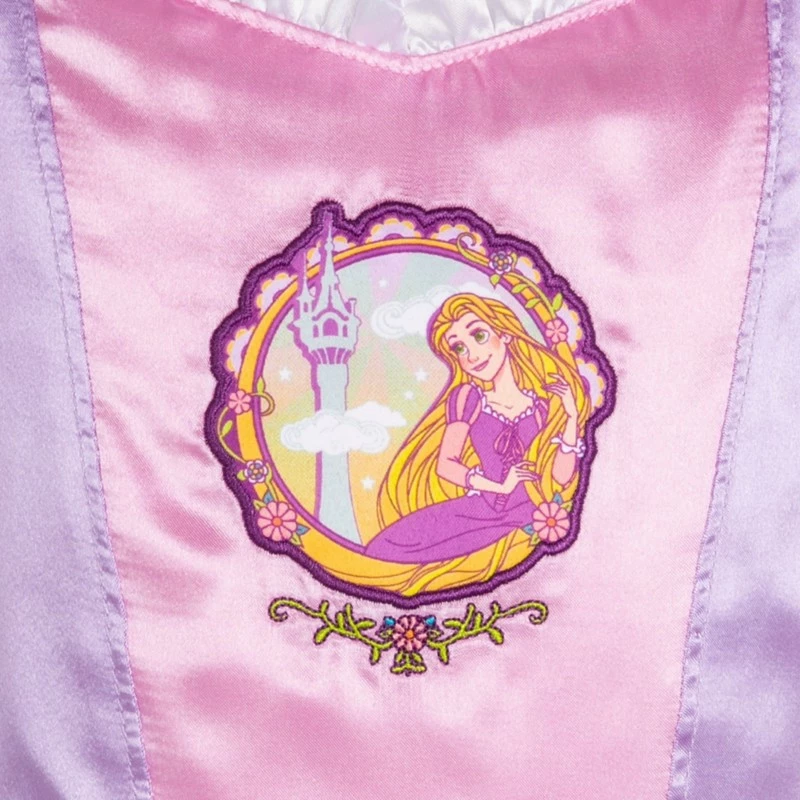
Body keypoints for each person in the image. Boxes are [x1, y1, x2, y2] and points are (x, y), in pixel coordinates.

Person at [365, 292, 590, 564]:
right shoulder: (467, 398)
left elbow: (562, 478)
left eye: (479, 336)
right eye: (459, 349)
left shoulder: (543, 406)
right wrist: (500, 486)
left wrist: (571, 417)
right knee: (390, 545)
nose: (471, 355)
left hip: (532, 516)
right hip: (481, 510)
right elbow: (446, 465)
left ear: (504, 334)